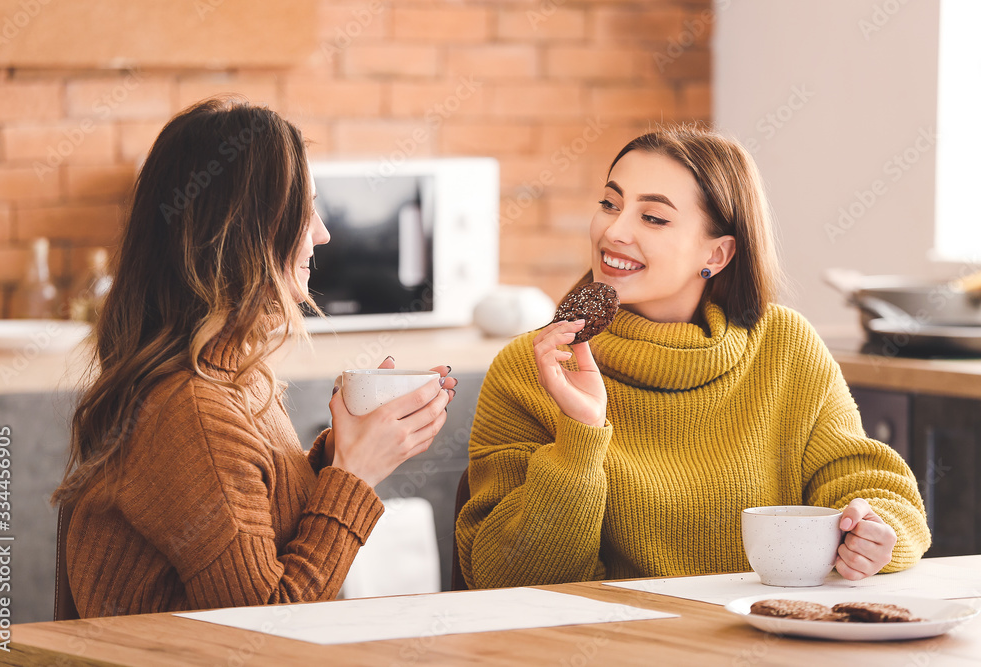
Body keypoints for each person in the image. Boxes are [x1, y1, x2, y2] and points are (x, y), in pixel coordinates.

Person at [456, 126, 930, 589]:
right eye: (609, 204)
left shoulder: (784, 345)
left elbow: (867, 483)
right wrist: (579, 439)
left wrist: (872, 531)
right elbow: (508, 579)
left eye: (653, 218)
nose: (613, 230)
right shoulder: (531, 366)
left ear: (718, 254)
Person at [52, 98, 456, 618]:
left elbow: (256, 520)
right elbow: (262, 625)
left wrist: (342, 453)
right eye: (304, 210)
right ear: (245, 230)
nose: (322, 233)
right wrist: (354, 475)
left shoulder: (236, 381)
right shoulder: (194, 409)